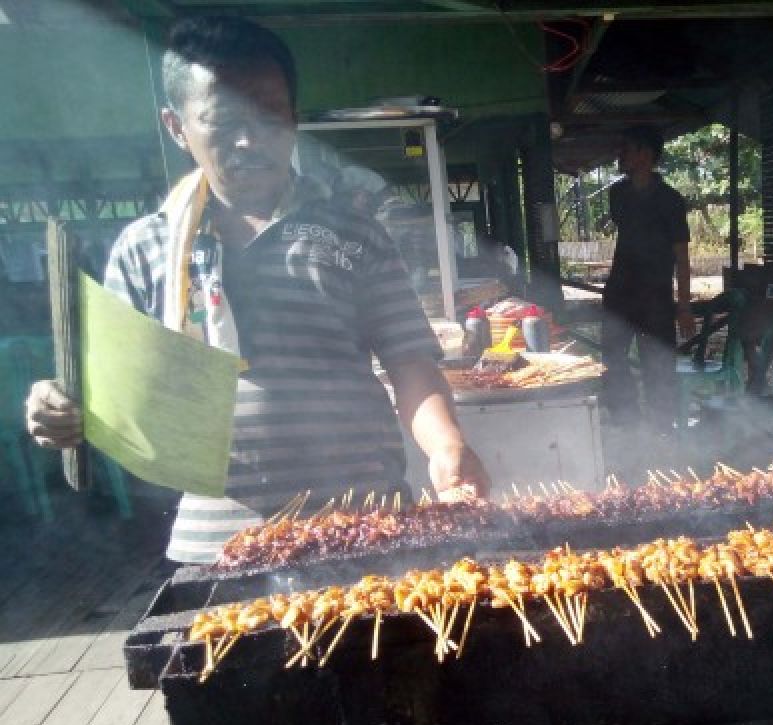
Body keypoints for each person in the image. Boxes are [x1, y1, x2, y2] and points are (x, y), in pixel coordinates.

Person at [24, 16, 489, 564]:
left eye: (270, 116)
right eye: (222, 123)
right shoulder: (146, 247)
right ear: (177, 126)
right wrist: (61, 404)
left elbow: (410, 362)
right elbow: (113, 388)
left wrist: (445, 445)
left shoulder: (353, 233)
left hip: (371, 528)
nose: (250, 140)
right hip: (218, 546)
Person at [600, 126, 695, 432]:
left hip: (655, 297)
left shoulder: (671, 200)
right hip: (620, 293)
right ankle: (625, 420)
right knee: (612, 357)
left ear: (646, 155)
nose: (621, 155)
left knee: (658, 365)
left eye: (626, 149)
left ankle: (660, 427)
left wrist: (683, 306)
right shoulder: (618, 194)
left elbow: (681, 256)